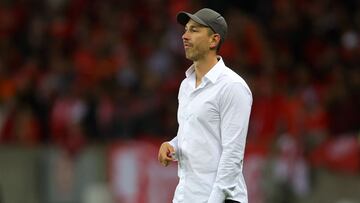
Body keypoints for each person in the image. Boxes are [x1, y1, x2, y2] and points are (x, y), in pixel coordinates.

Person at [158, 8, 252, 203]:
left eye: (194, 30)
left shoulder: (232, 86)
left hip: (219, 199)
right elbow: (195, 133)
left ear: (213, 40)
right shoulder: (186, 85)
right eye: (185, 30)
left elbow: (233, 154)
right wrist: (172, 145)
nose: (184, 35)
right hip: (186, 196)